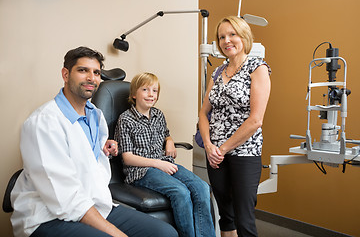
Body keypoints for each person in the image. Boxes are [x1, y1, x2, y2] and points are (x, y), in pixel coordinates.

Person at [10, 46, 178, 237]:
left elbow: (83, 152)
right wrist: (117, 234)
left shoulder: (94, 115)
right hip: (48, 215)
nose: (91, 77)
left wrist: (103, 146)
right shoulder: (43, 122)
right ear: (66, 74)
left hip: (95, 203)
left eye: (96, 72)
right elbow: (65, 197)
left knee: (165, 233)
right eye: (83, 70)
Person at [114, 72, 216, 237]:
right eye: (145, 89)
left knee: (202, 187)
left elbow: (165, 134)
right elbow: (127, 157)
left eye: (154, 91)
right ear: (134, 94)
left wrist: (169, 140)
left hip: (164, 163)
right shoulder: (125, 119)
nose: (150, 94)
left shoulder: (158, 115)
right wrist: (157, 163)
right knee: (180, 192)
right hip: (141, 171)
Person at [198, 16, 271, 237]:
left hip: (244, 152)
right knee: (226, 216)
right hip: (215, 155)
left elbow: (256, 120)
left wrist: (223, 148)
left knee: (244, 218)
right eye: (221, 37)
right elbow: (203, 113)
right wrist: (210, 146)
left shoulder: (258, 68)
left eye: (232, 34)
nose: (226, 40)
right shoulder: (218, 72)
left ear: (244, 37)